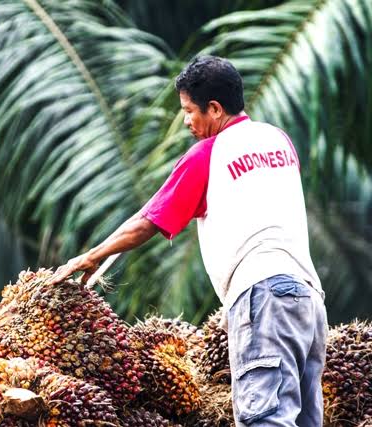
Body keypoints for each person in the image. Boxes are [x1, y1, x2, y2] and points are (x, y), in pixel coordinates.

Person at [49, 55, 328, 426]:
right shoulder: (277, 140)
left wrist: (93, 255)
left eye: (189, 111)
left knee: (266, 419)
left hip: (263, 297)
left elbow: (147, 221)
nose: (185, 121)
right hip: (308, 300)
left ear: (214, 109)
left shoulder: (209, 154)